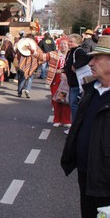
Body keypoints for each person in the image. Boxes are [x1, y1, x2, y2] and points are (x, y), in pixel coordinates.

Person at [61, 35, 110, 218]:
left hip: (106, 181)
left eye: (97, 58)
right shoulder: (91, 89)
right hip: (87, 174)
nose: (90, 63)